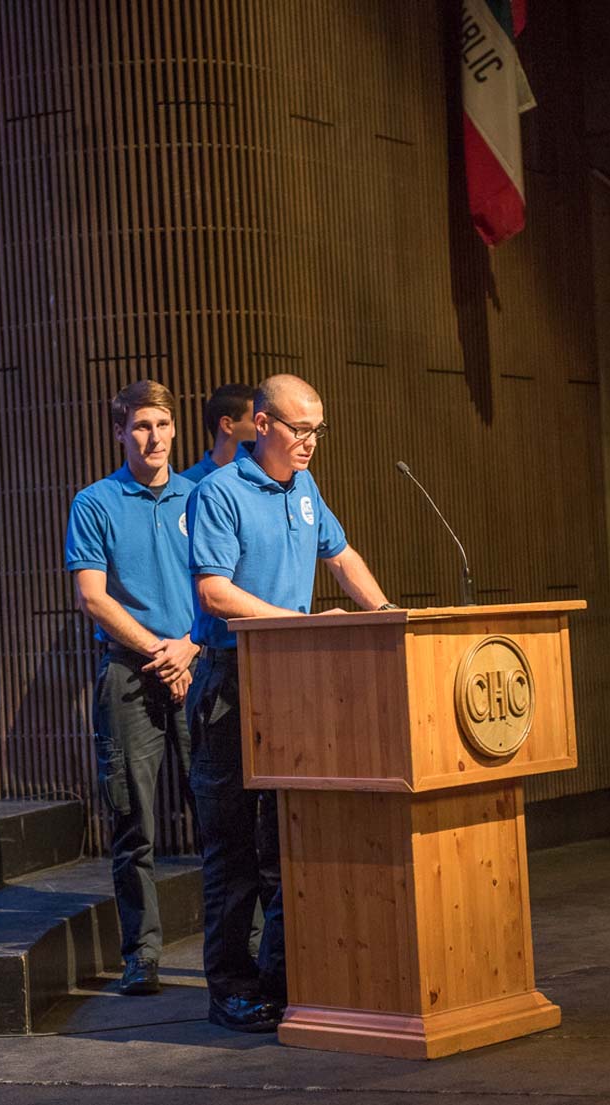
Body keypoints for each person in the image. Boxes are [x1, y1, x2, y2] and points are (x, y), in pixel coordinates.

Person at [186, 373, 397, 1033]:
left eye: (316, 429)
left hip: (293, 684)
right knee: (233, 847)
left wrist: (389, 615)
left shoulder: (303, 488)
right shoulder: (220, 491)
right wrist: (293, 623)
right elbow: (215, 594)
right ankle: (231, 988)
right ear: (260, 422)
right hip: (231, 681)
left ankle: (282, 979)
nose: (309, 442)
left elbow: (342, 555)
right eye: (298, 428)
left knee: (285, 843)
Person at [65, 380, 199, 996]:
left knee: (225, 821)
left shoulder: (200, 498)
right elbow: (94, 597)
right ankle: (142, 955)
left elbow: (219, 588)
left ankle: (248, 947)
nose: (154, 437)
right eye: (141, 425)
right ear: (120, 432)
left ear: (176, 430)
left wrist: (189, 648)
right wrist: (159, 652)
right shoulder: (95, 502)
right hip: (128, 674)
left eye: (163, 425)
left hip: (200, 669)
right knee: (134, 824)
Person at [182, 382, 255, 483]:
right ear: (227, 425)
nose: (264, 428)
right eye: (255, 420)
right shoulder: (189, 484)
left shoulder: (265, 476)